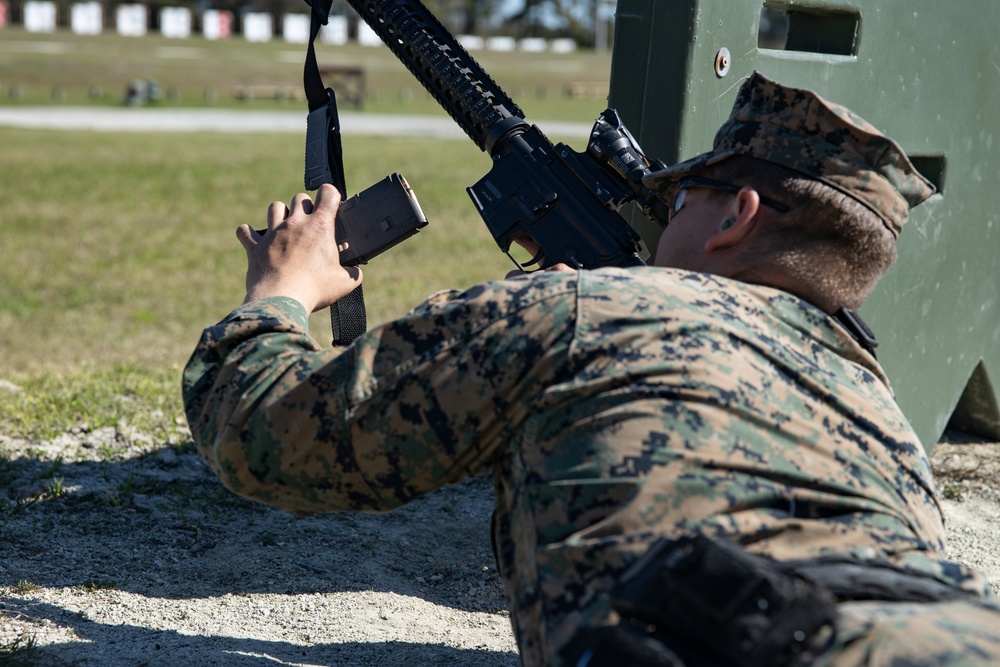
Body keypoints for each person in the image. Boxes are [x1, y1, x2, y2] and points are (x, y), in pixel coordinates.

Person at [182, 72, 1000, 666]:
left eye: (680, 200)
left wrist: (281, 292)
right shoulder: (884, 418)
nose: (662, 215)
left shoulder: (583, 312)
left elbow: (265, 432)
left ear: (736, 217)